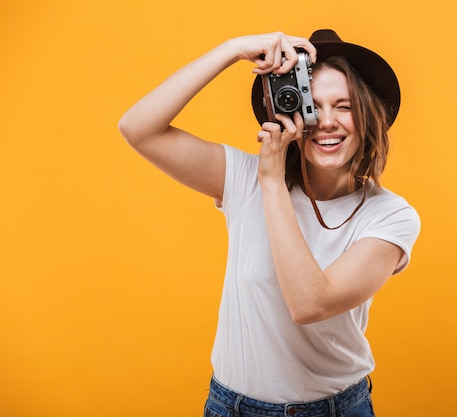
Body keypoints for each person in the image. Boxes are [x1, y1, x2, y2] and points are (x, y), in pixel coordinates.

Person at [118, 29, 420, 417]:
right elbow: (138, 128)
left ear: (368, 118)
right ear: (287, 112)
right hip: (232, 406)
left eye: (344, 107)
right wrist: (231, 49)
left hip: (335, 409)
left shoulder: (390, 215)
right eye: (313, 105)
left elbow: (310, 303)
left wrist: (273, 181)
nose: (326, 122)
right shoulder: (245, 178)